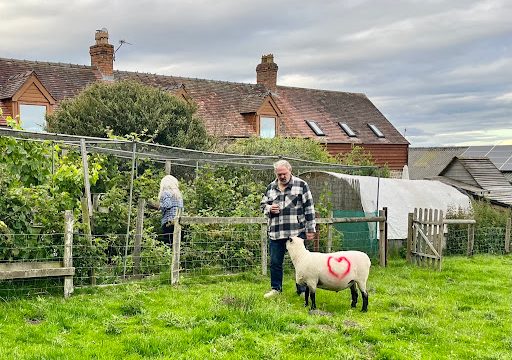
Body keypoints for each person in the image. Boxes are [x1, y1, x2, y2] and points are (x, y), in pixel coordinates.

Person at [260, 159, 316, 298]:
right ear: (275, 173)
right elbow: (262, 205)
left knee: (301, 263)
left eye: (284, 173)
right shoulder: (270, 187)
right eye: (279, 174)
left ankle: (302, 290)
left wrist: (310, 229)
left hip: (296, 233)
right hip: (276, 232)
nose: (282, 177)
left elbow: (309, 208)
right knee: (275, 262)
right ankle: (276, 289)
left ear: (290, 171)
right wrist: (268, 208)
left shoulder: (301, 185)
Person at [158, 175, 184, 246]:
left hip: (168, 222)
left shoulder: (165, 192)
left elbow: (167, 205)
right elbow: (181, 208)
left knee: (168, 245)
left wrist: (158, 206)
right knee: (177, 245)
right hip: (179, 222)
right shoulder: (178, 195)